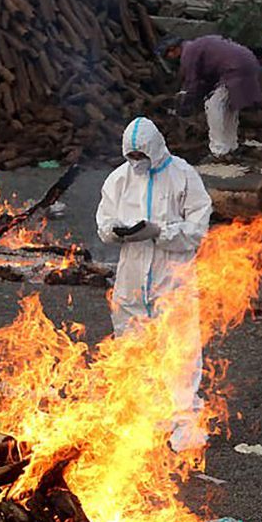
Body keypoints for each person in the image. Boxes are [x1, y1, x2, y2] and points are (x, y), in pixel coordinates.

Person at [96, 117, 212, 449]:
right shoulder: (119, 179)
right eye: (131, 156)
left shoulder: (183, 176)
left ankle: (184, 421)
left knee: (179, 348)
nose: (136, 162)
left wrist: (160, 232)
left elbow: (197, 230)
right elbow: (103, 222)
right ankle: (143, 419)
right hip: (132, 277)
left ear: (155, 149)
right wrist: (118, 231)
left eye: (141, 155)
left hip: (172, 276)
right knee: (132, 348)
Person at [160, 34, 262, 157]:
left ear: (174, 49)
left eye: (168, 54)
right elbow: (208, 78)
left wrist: (185, 102)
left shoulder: (188, 53)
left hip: (234, 69)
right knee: (229, 107)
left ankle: (218, 150)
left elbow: (193, 82)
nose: (170, 58)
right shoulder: (197, 46)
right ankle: (231, 145)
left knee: (213, 105)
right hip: (248, 61)